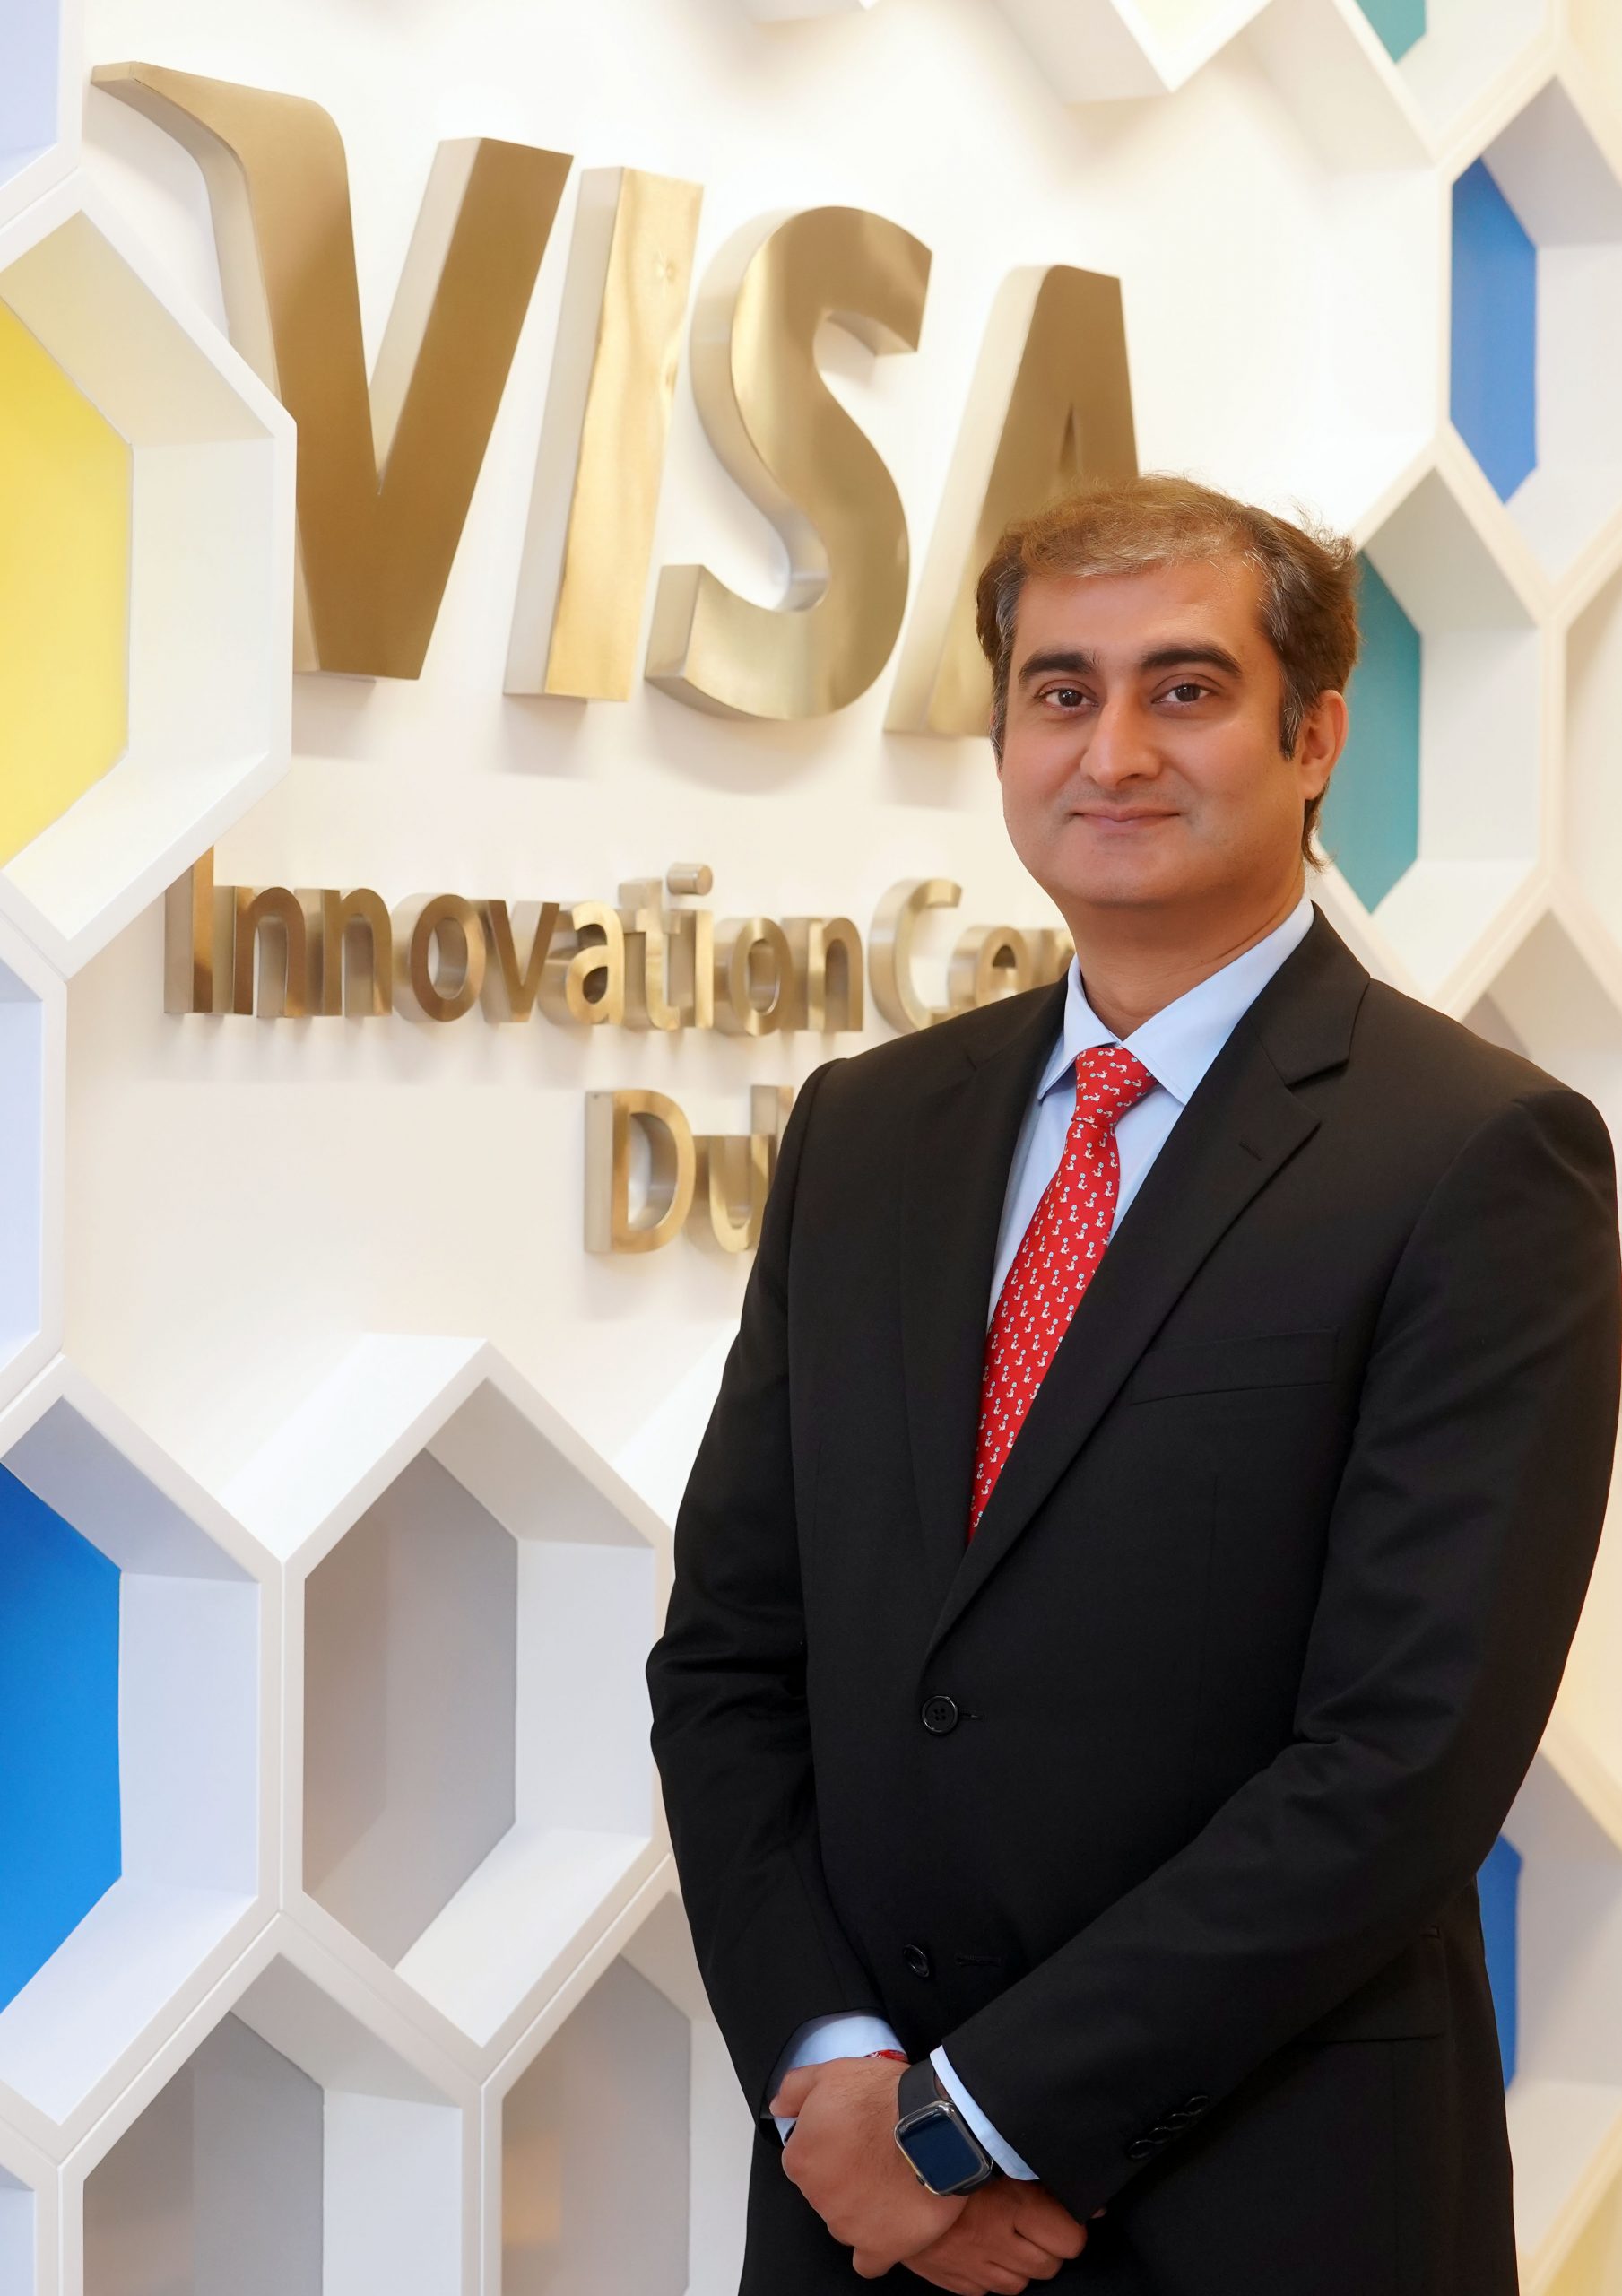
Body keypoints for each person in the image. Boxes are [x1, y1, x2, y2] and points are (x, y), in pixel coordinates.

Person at [644, 473, 1622, 2296]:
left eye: (1183, 689)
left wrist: (967, 2122)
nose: (1111, 751)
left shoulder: (1478, 1156)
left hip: (1265, 2197)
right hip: (861, 2216)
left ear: (1312, 737)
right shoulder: (868, 1130)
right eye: (1058, 691)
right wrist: (835, 2075)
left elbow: (1402, 1757)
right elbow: (729, 1659)